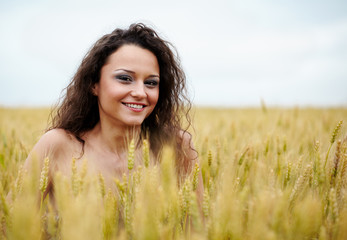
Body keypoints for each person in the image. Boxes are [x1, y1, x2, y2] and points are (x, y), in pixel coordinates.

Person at [23, 23, 203, 201]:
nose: (140, 92)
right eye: (124, 78)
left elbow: (196, 228)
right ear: (94, 84)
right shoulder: (58, 145)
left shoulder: (176, 146)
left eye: (151, 82)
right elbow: (10, 224)